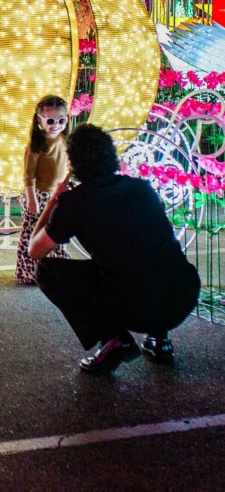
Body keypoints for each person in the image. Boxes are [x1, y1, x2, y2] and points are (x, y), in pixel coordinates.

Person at [29, 124, 201, 374]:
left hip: (136, 306)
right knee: (147, 257)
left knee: (46, 270)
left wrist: (55, 199)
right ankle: (159, 341)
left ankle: (112, 339)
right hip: (183, 295)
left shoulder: (74, 204)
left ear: (73, 163)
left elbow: (35, 251)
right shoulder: (141, 188)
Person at [15, 95, 71, 285]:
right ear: (40, 119)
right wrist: (31, 199)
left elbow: (68, 168)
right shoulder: (36, 145)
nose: (56, 125)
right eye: (50, 121)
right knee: (31, 234)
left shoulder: (65, 141)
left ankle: (60, 272)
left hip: (57, 195)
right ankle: (28, 273)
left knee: (57, 232)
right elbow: (28, 176)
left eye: (61, 120)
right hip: (38, 195)